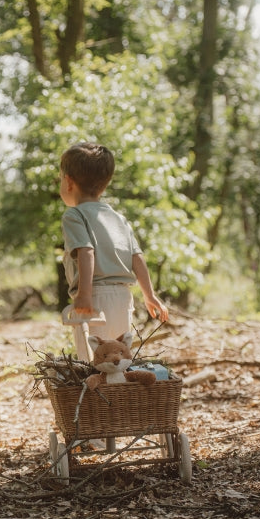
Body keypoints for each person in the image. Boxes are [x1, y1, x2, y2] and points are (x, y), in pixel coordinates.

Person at [59, 142, 169, 360]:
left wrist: (84, 295)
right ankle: (120, 395)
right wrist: (149, 295)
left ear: (69, 182)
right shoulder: (118, 218)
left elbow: (86, 252)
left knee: (94, 360)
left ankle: (96, 395)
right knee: (119, 359)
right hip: (122, 297)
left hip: (95, 297)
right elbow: (137, 257)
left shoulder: (74, 215)